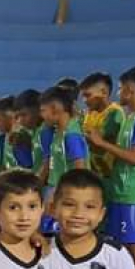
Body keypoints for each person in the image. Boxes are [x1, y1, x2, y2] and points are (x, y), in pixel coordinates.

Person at [85, 67, 135, 269]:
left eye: (120, 89)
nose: (118, 93)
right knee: (120, 242)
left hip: (134, 192)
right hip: (120, 189)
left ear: (129, 90)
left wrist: (103, 143)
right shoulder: (130, 118)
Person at [40, 86, 89, 236]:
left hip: (63, 194)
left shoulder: (71, 134)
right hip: (55, 190)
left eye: (43, 111)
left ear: (54, 108)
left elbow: (79, 168)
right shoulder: (57, 134)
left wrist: (62, 194)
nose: (42, 116)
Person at [79, 72, 124, 198]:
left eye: (88, 95)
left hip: (112, 180)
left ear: (104, 92)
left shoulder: (114, 113)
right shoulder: (90, 113)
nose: (84, 100)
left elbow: (97, 141)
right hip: (96, 177)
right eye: (83, 96)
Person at [14, 89, 52, 185]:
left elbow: (48, 161)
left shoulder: (45, 131)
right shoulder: (35, 132)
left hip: (47, 186)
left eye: (24, 115)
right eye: (18, 116)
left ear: (38, 110)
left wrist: (37, 185)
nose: (20, 121)